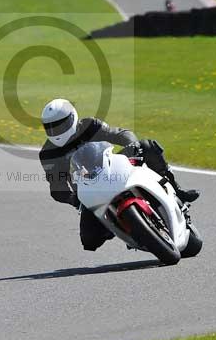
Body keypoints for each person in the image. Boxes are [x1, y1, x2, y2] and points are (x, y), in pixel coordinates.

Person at [38, 98, 199, 251]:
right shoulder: (48, 153)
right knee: (89, 240)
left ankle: (178, 191)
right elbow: (56, 187)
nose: (55, 131)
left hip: (112, 168)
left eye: (59, 125)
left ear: (72, 118)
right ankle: (121, 226)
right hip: (88, 190)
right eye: (50, 127)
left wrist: (132, 145)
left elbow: (119, 133)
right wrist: (74, 199)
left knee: (147, 145)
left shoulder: (90, 125)